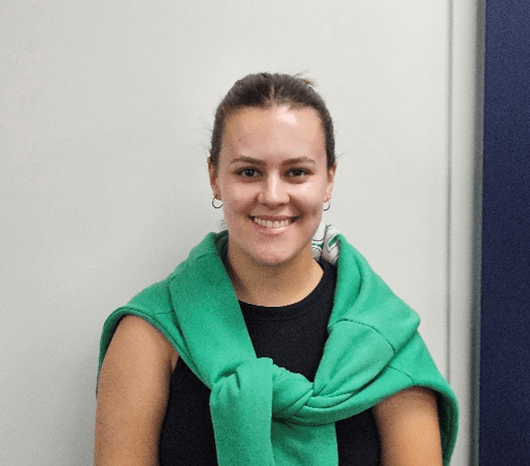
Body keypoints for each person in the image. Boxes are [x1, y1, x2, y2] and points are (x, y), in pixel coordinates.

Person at [94, 72, 458, 466]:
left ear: (329, 179)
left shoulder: (385, 340)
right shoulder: (150, 335)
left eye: (296, 172)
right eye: (248, 172)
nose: (272, 196)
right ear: (214, 177)